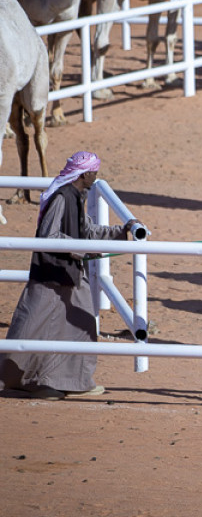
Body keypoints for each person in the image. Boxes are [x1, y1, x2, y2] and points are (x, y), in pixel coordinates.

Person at [1, 152, 143, 400]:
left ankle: (72, 381)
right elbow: (50, 236)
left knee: (81, 326)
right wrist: (82, 250)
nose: (95, 177)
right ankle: (19, 380)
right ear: (85, 174)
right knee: (33, 327)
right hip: (51, 274)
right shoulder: (62, 197)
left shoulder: (75, 196)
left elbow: (85, 231)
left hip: (70, 274)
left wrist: (121, 232)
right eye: (94, 173)